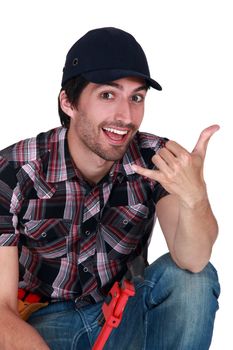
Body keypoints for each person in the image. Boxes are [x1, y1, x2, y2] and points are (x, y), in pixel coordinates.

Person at [0, 27, 220, 350]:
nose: (126, 116)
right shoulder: (13, 172)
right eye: (107, 95)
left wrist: (195, 199)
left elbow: (194, 260)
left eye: (136, 97)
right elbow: (1, 312)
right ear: (68, 102)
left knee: (194, 281)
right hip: (44, 327)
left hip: (121, 316)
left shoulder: (156, 160)